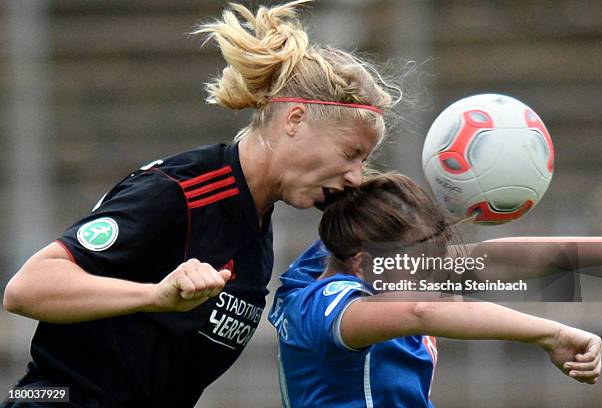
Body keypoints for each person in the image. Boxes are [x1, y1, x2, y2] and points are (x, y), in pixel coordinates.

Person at [1, 1, 399, 407]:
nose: (355, 176)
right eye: (351, 153)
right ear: (294, 120)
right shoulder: (182, 192)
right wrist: (155, 295)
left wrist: (450, 268)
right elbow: (27, 288)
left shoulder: (254, 222)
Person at [268, 172, 602, 407]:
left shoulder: (339, 254)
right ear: (361, 263)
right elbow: (422, 312)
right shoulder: (327, 311)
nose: (432, 279)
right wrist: (552, 335)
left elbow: (487, 261)